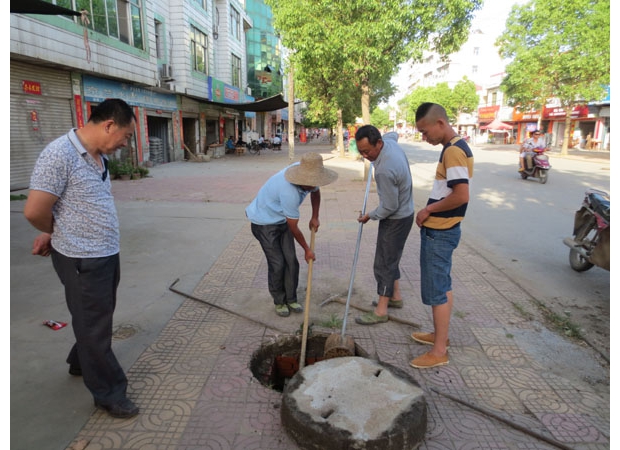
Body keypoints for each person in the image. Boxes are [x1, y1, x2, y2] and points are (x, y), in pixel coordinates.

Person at [23, 98, 140, 418]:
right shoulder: (59, 154)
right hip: (81, 259)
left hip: (104, 253)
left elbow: (73, 203)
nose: (126, 143)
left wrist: (53, 231)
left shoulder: (98, 156)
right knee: (94, 324)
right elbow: (34, 210)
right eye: (127, 136)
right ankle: (109, 392)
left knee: (95, 318)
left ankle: (80, 361)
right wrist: (55, 232)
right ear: (109, 125)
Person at [409, 102, 473, 369]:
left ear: (440, 123)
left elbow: (461, 195)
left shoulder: (454, 151)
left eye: (425, 132)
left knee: (437, 290)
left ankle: (439, 351)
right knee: (442, 286)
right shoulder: (453, 147)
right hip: (442, 229)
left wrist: (428, 210)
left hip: (441, 231)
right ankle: (440, 336)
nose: (425, 138)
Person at [245, 152, 338, 317]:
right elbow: (293, 227)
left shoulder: (308, 172)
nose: (315, 185)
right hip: (264, 223)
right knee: (278, 263)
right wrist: (307, 249)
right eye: (312, 183)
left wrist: (315, 216)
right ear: (303, 181)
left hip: (281, 219)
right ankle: (280, 301)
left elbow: (315, 193)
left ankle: (291, 299)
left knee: (291, 262)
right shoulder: (290, 192)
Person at [353, 125, 414, 325]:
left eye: (367, 151)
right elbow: (393, 134)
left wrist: (369, 216)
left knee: (384, 263)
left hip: (396, 218)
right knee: (391, 257)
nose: (365, 156)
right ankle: (395, 297)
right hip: (406, 212)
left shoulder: (385, 170)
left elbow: (389, 206)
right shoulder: (389, 142)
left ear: (379, 143)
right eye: (361, 152)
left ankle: (381, 311)